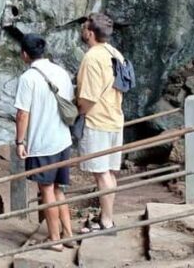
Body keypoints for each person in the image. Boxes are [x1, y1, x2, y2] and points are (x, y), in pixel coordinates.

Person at [13, 34, 75, 251]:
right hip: (63, 140)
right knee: (59, 189)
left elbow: (22, 114)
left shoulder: (28, 78)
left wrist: (20, 142)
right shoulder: (61, 72)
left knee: (46, 189)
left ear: (24, 54)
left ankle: (54, 238)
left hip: (43, 142)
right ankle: (68, 235)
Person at [76, 13, 125, 233]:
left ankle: (106, 222)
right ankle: (106, 217)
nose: (82, 30)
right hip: (115, 117)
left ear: (91, 32)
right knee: (110, 173)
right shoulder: (115, 53)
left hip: (98, 121)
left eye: (85, 27)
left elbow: (88, 97)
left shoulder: (92, 57)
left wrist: (78, 112)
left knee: (102, 173)